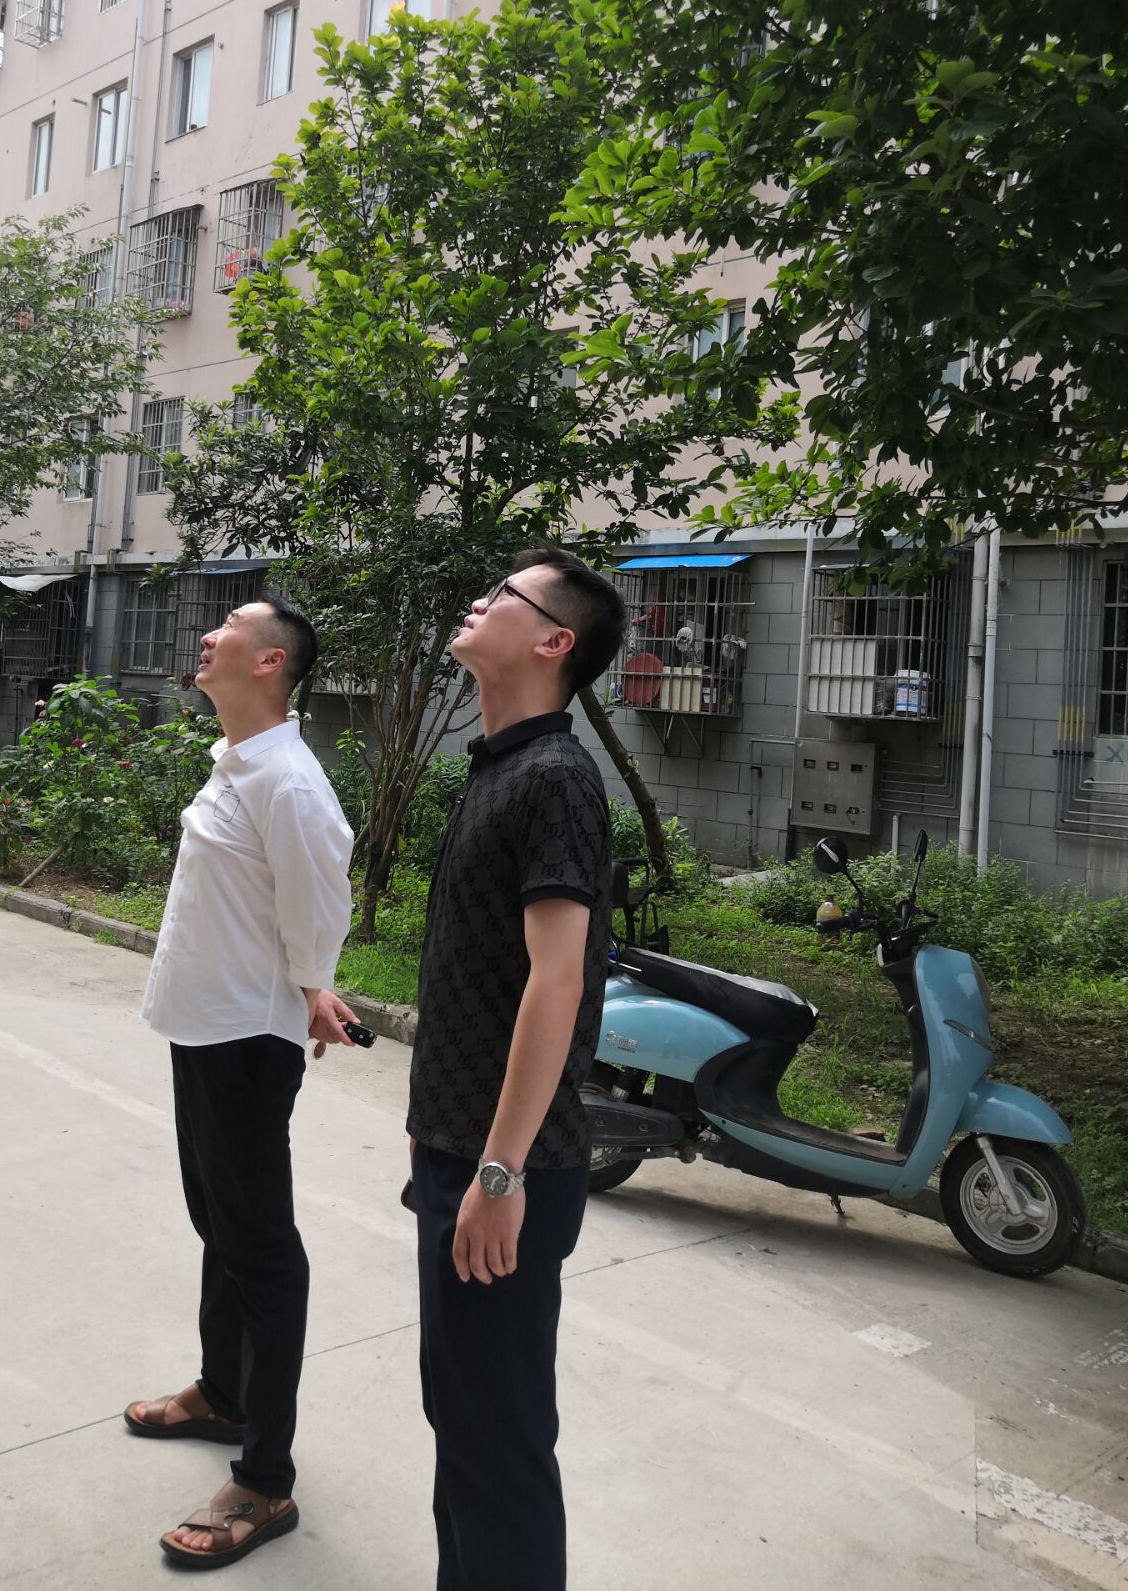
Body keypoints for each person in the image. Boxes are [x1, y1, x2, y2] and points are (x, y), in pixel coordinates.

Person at [125, 590, 360, 1570]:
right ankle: (224, 1393)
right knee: (219, 1226)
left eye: (228, 627)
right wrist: (307, 982)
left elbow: (321, 899)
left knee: (261, 1251)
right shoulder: (238, 761)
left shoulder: (289, 784)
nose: (208, 635)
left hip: (243, 1042)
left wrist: (311, 987)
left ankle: (266, 1479)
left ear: (269, 663)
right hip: (201, 1026)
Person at [407, 546, 626, 1591]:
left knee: (497, 1440)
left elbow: (558, 980)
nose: (477, 600)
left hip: (507, 1169)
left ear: (553, 642)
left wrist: (500, 1174)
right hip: (459, 1151)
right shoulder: (500, 764)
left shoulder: (555, 780)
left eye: (503, 595)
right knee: (462, 1419)